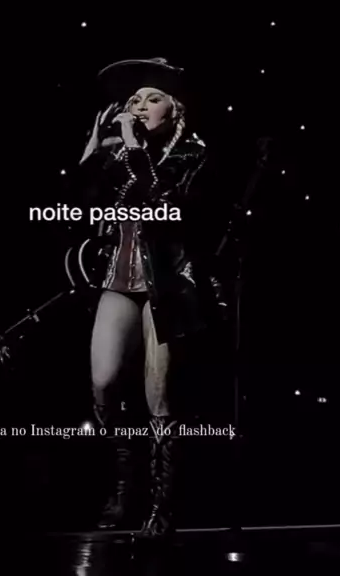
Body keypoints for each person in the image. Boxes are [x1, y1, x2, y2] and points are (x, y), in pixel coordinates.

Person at [74, 57, 228, 538]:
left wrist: (133, 147)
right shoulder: (120, 154)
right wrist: (95, 143)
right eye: (134, 100)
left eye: (153, 98)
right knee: (102, 382)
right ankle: (124, 490)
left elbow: (161, 199)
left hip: (168, 283)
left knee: (158, 395)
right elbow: (80, 198)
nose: (140, 106)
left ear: (174, 110)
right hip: (119, 278)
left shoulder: (193, 156)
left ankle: (162, 506)